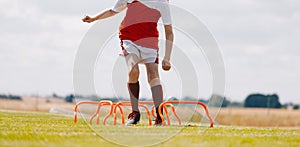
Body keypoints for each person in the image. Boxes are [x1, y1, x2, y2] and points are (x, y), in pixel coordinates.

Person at [82, 0, 174, 125]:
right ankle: (135, 113)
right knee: (133, 71)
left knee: (153, 76)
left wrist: (167, 58)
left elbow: (169, 31)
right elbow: (112, 11)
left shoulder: (162, 2)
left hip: (149, 41)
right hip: (129, 38)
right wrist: (93, 19)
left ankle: (159, 115)